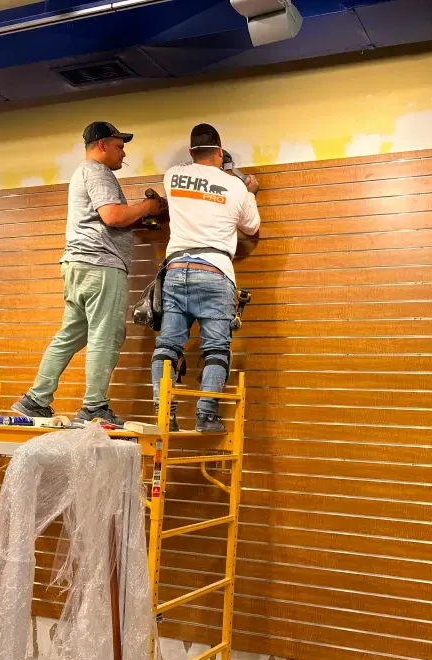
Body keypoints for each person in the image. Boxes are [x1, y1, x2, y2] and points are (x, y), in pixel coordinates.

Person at [13, 121, 165, 425]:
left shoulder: (83, 174)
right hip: (100, 265)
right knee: (106, 335)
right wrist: (147, 206)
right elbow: (112, 215)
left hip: (78, 265)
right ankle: (95, 406)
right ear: (102, 145)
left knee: (71, 334)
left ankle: (35, 399)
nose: (124, 154)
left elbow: (107, 219)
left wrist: (140, 216)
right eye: (120, 147)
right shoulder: (98, 172)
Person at [152, 123, 260, 433]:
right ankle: (206, 415)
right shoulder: (236, 187)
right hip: (215, 272)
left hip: (175, 271)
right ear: (219, 151)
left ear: (191, 152)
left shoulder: (173, 176)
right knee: (216, 348)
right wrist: (250, 192)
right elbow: (251, 228)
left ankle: (165, 416)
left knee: (167, 346)